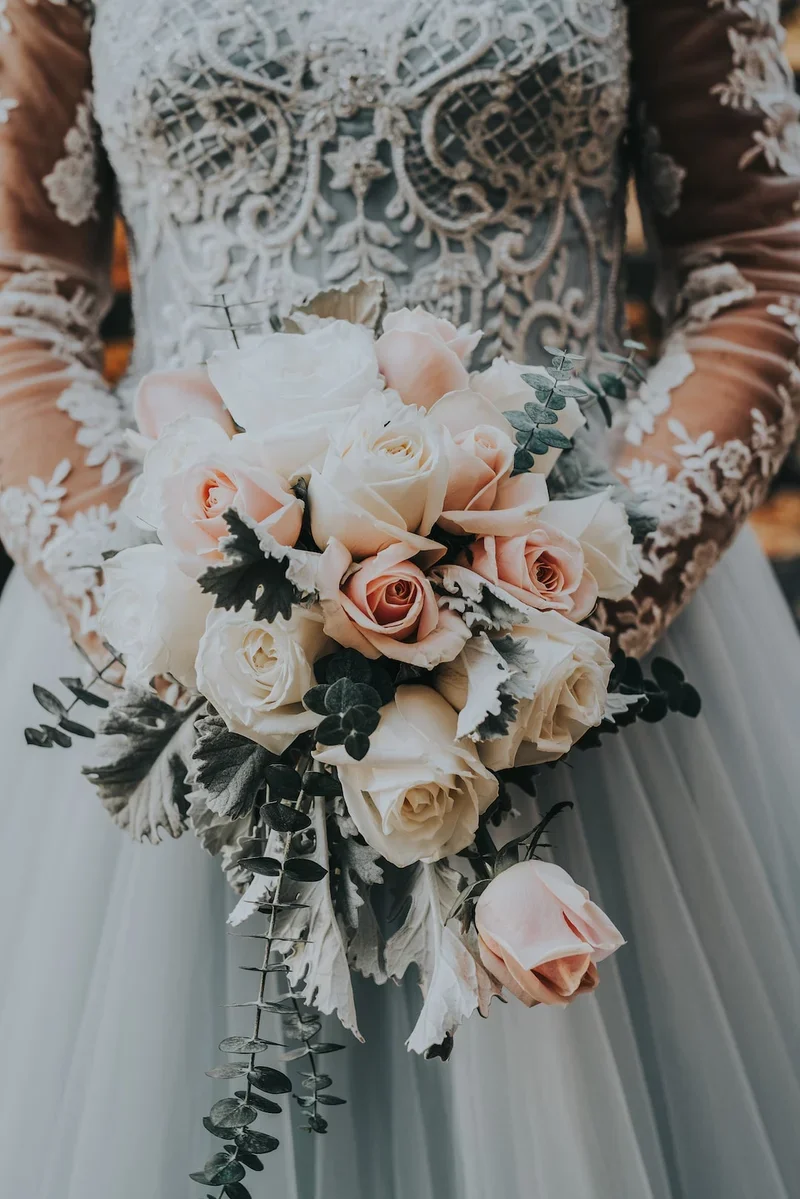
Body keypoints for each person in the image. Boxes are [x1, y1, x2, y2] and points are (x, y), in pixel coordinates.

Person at [0, 2, 798, 1196]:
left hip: (574, 653)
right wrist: (156, 618)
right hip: (184, 642)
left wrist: (565, 608)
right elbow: (19, 298)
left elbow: (756, 264)